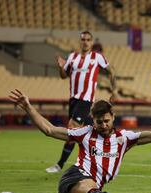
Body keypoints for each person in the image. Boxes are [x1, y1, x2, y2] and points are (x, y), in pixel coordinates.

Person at [0, 89, 151, 193]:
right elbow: (50, 130)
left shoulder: (124, 138)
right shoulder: (85, 133)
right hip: (76, 177)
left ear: (113, 118)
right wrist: (29, 107)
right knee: (89, 185)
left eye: (106, 121)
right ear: (92, 120)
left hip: (92, 192)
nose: (103, 125)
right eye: (99, 122)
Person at [45, 31, 118, 173]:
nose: (85, 42)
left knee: (72, 128)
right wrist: (61, 67)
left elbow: (111, 71)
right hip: (73, 99)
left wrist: (114, 90)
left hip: (86, 99)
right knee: (91, 131)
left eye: (88, 40)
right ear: (80, 41)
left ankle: (60, 164)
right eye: (83, 39)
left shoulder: (97, 57)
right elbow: (63, 76)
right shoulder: (72, 57)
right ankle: (101, 159)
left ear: (91, 42)